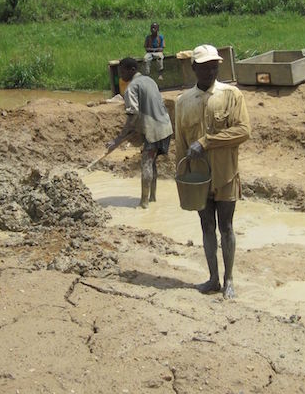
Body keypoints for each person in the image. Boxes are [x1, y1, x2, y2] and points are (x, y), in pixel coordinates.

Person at [175, 44, 251, 299]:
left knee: (226, 226)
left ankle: (229, 279)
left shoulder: (231, 95)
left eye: (214, 66)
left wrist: (207, 141)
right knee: (206, 225)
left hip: (226, 175)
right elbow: (181, 146)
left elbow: (243, 131)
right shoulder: (183, 102)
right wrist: (182, 183)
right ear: (194, 68)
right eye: (205, 67)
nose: (210, 71)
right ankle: (213, 278)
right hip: (198, 178)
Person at [106, 57, 173, 209]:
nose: (120, 75)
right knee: (153, 162)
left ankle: (144, 203)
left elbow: (133, 115)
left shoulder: (131, 88)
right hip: (166, 127)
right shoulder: (150, 81)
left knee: (146, 163)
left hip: (153, 130)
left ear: (132, 70)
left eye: (122, 71)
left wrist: (118, 140)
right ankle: (153, 198)